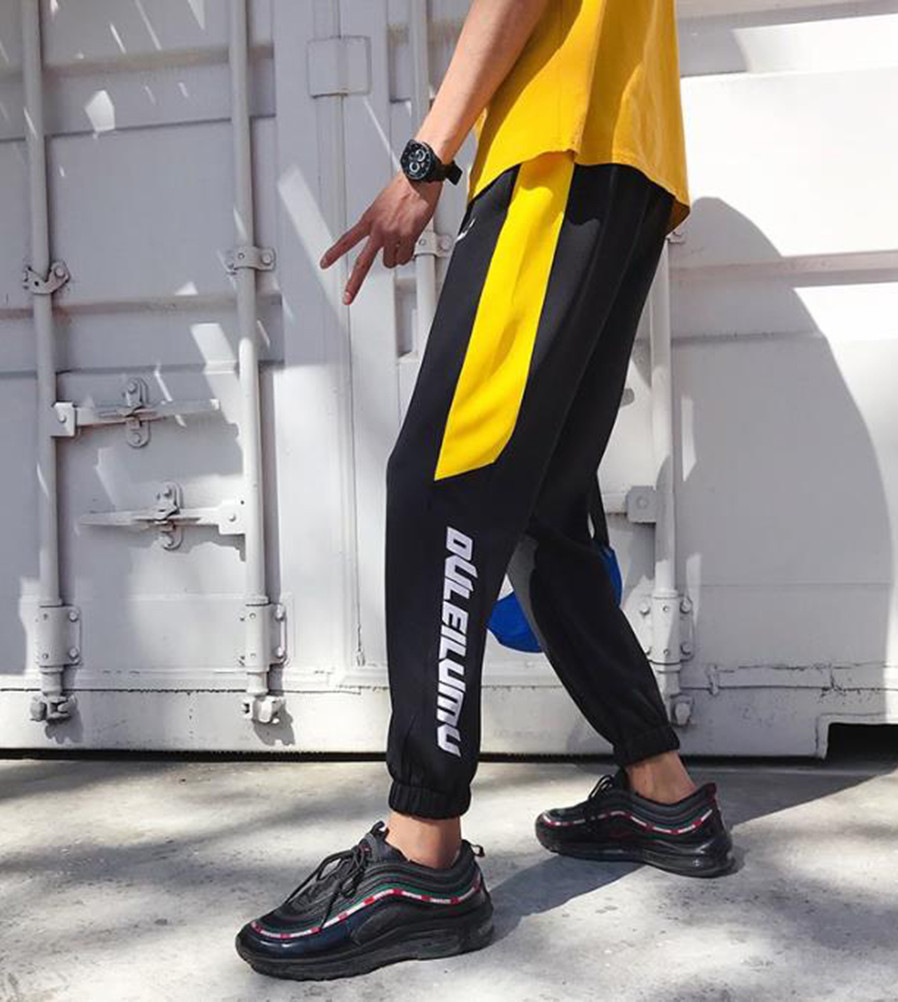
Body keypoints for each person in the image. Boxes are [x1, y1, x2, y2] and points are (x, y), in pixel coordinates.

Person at [236, 0, 733, 981]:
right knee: (542, 509)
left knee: (444, 488)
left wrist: (426, 159)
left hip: (558, 149)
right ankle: (661, 789)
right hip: (633, 166)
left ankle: (422, 854)